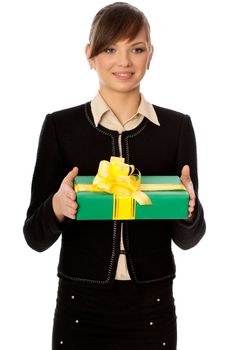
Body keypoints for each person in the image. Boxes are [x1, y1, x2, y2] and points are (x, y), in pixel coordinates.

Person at [23, 2, 206, 349]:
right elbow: (34, 235)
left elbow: (189, 238)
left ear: (150, 55)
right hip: (80, 304)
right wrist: (58, 207)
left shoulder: (176, 128)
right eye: (110, 48)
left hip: (153, 304)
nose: (124, 61)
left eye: (136, 49)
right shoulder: (60, 127)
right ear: (90, 55)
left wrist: (189, 210)